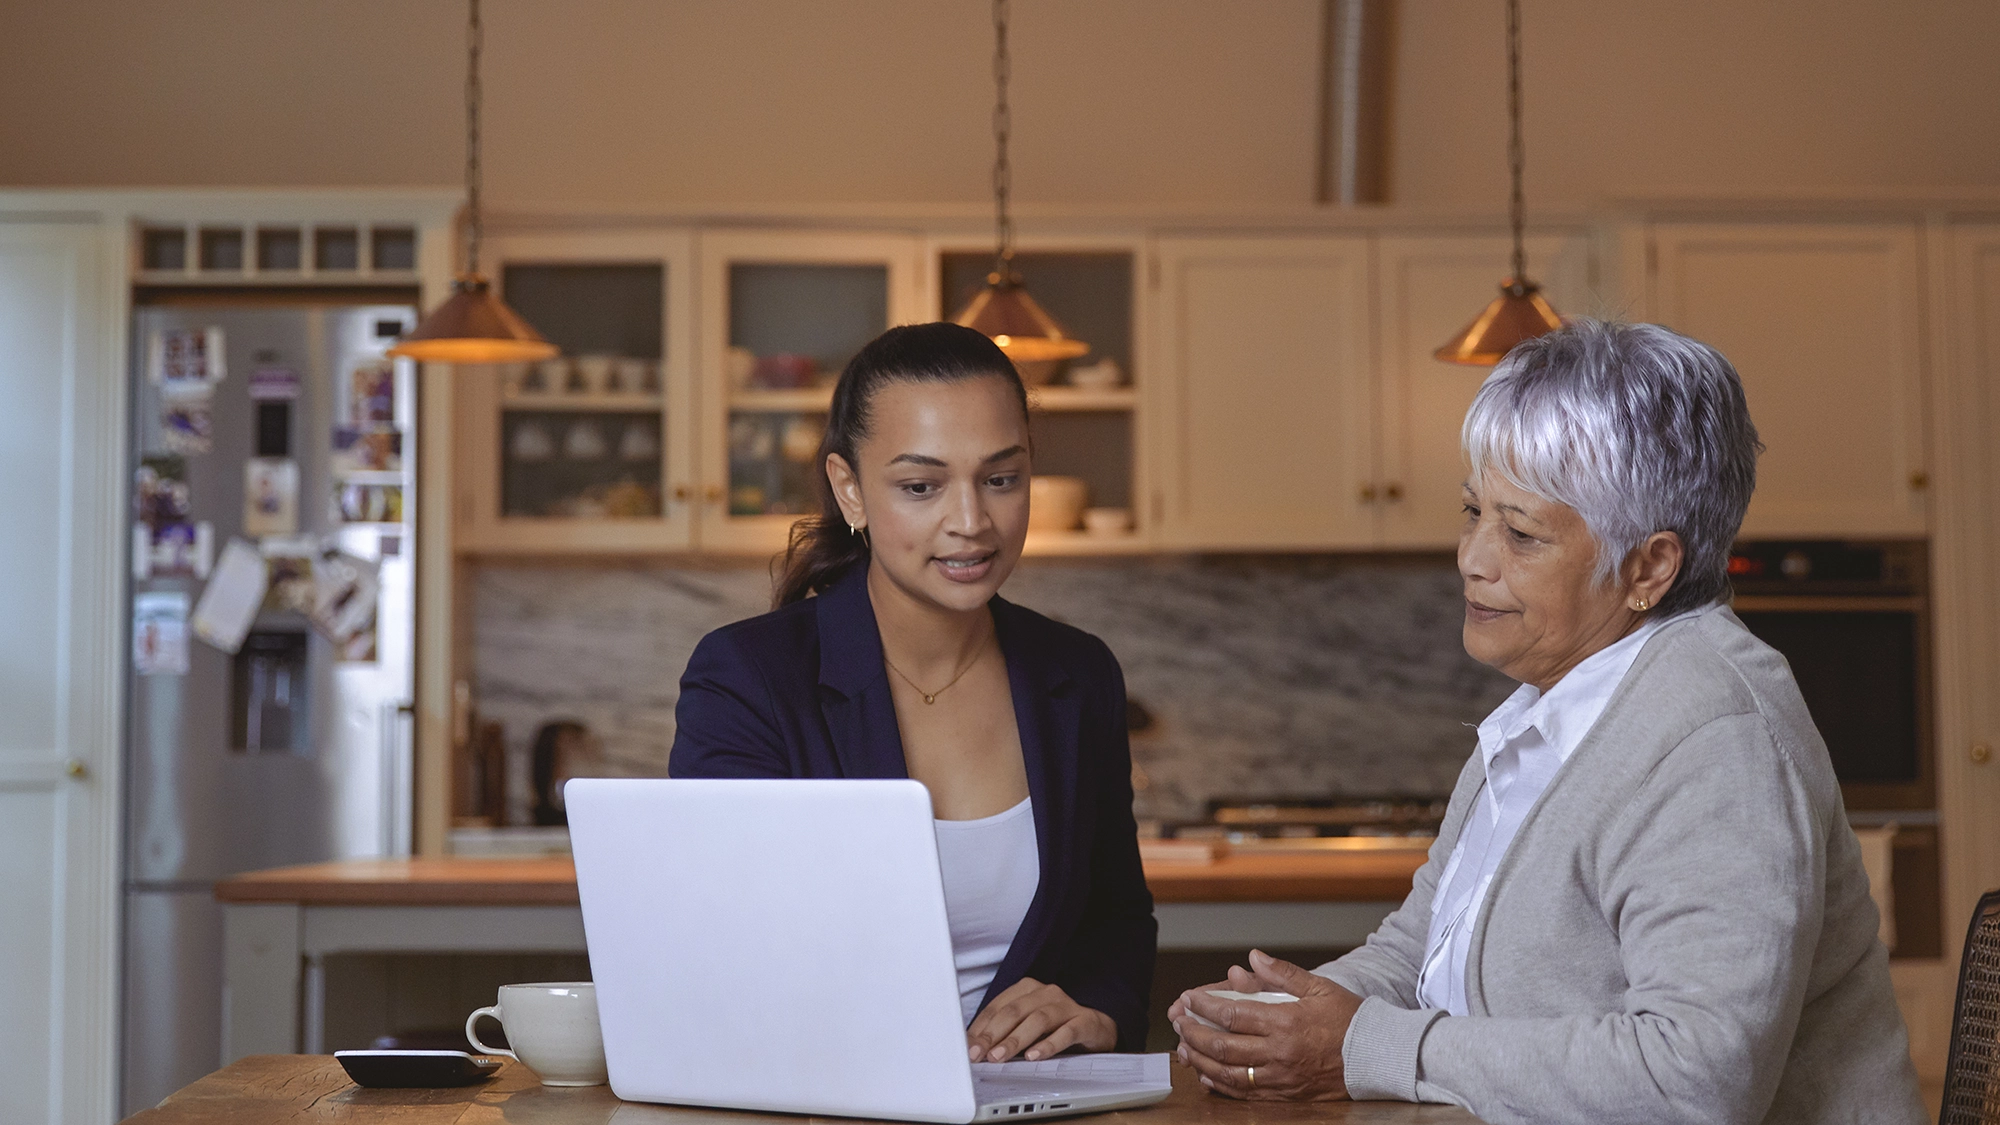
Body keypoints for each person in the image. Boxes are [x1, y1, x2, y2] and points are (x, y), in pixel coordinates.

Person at [1170, 320, 1927, 1124]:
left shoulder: (1715, 737)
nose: (1473, 557)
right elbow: (1419, 949)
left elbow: (1696, 1076)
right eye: (1473, 512)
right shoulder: (1543, 707)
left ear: (1649, 567)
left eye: (1521, 534)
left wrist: (1364, 1044)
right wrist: (1276, 1018)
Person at [669, 322, 1156, 1060]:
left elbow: (1117, 920)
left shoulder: (1079, 673)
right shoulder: (748, 677)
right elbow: (720, 950)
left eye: (1001, 478)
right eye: (921, 486)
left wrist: (1099, 1015)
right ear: (850, 489)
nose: (971, 522)